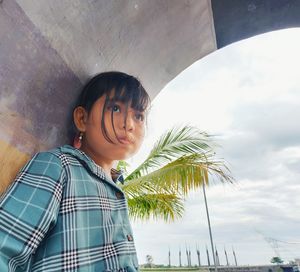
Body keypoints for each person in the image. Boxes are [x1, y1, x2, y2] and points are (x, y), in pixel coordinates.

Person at [0, 71, 150, 271]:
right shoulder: (58, 167)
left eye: (138, 116)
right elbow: (4, 249)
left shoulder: (116, 189)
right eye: (115, 108)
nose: (129, 124)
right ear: (82, 119)